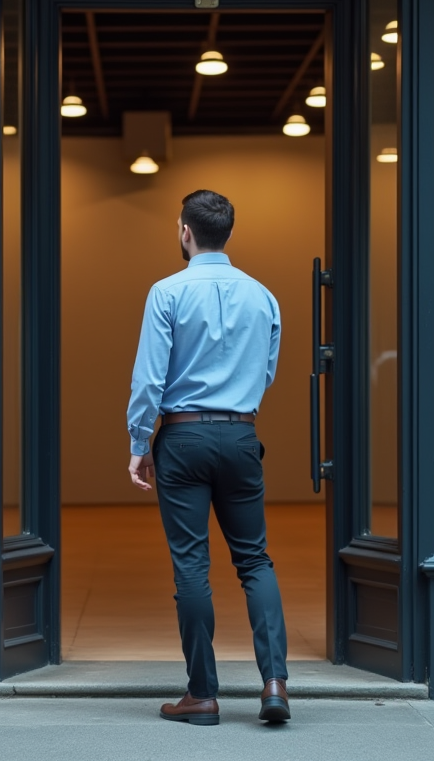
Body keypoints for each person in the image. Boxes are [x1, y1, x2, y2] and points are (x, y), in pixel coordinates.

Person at [126, 189, 290, 726]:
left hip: (182, 438)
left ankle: (202, 696)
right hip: (241, 435)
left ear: (185, 231)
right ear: (229, 233)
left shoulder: (166, 292)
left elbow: (149, 379)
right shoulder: (263, 296)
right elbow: (265, 372)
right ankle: (275, 684)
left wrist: (138, 443)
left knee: (192, 565)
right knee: (255, 560)